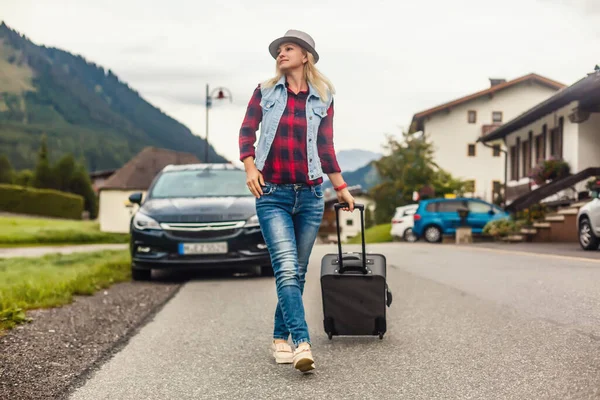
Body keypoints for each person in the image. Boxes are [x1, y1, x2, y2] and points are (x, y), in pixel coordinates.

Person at [238, 29, 355, 373]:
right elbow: (247, 131)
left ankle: (279, 339)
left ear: (305, 56)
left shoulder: (323, 97)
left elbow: (325, 148)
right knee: (287, 268)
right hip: (271, 193)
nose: (281, 54)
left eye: (288, 49)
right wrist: (249, 168)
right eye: (279, 50)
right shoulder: (264, 91)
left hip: (311, 195)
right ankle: (302, 342)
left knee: (297, 272)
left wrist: (342, 188)